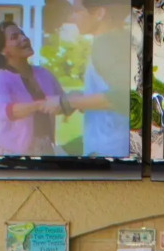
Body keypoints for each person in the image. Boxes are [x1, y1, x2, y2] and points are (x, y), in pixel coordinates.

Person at [60, 0, 133, 157]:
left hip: (110, 153)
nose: (72, 18)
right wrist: (82, 96)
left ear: (100, 13)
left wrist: (68, 102)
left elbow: (124, 97)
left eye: (77, 11)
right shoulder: (117, 40)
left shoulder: (106, 44)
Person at [0, 22, 66, 156]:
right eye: (14, 37)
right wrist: (40, 105)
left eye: (22, 34)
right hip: (12, 153)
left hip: (45, 150)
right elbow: (6, 111)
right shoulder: (0, 79)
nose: (24, 38)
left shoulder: (44, 74)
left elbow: (62, 101)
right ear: (3, 50)